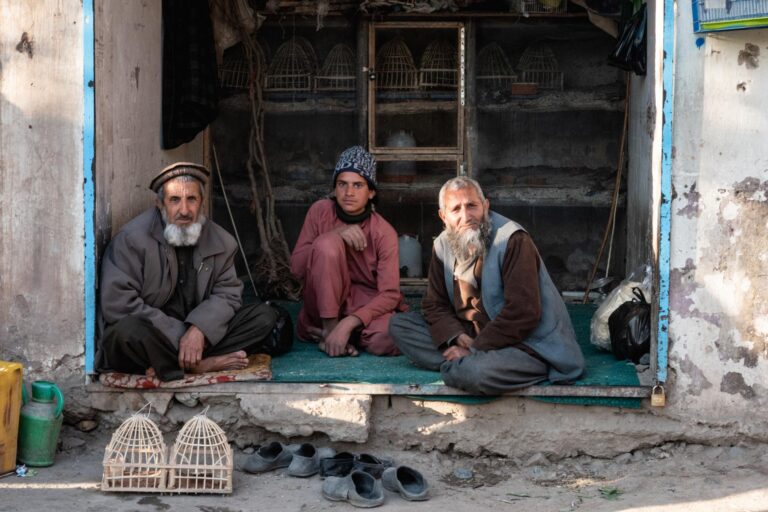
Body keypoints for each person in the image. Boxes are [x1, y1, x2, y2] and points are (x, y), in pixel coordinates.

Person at [389, 177, 585, 394]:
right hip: (470, 337)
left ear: (485, 206)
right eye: (456, 209)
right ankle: (461, 361)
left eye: (472, 206)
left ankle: (465, 365)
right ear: (443, 216)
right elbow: (434, 305)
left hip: (524, 344)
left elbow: (523, 313)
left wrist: (475, 348)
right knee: (400, 325)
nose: (466, 216)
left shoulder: (513, 240)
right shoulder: (442, 245)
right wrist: (457, 337)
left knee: (473, 373)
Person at [96, 162, 289, 382]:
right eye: (174, 200)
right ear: (160, 204)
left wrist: (200, 330)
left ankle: (176, 362)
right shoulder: (131, 240)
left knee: (264, 317)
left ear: (202, 203)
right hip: (154, 335)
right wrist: (180, 335)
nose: (185, 211)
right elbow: (118, 304)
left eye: (192, 200)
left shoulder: (222, 241)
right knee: (127, 331)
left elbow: (227, 294)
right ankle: (198, 366)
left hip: (197, 337)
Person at [290, 145, 406, 357]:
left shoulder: (383, 232)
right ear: (334, 188)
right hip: (321, 306)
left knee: (389, 339)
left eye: (358, 185)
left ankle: (342, 335)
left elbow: (390, 294)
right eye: (342, 184)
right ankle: (329, 330)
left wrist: (350, 322)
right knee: (327, 245)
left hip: (362, 305)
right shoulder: (320, 212)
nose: (349, 193)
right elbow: (297, 270)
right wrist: (335, 234)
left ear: (371, 192)